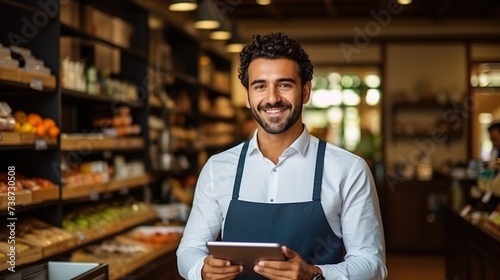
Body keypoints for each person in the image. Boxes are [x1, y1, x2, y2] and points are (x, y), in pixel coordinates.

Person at [177, 32, 387, 280]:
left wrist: (314, 274)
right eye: (260, 86)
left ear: (306, 91)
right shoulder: (218, 168)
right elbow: (188, 250)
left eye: (284, 84)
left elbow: (371, 264)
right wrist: (201, 269)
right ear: (247, 96)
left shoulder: (348, 170)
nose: (272, 98)